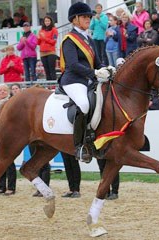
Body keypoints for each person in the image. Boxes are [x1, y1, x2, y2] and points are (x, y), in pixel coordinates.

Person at [59, 2, 112, 162]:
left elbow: (97, 62)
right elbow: (73, 65)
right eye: (84, 17)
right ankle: (79, 147)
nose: (88, 19)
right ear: (74, 20)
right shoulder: (69, 39)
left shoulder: (88, 38)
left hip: (87, 80)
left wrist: (108, 69)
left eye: (89, 16)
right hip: (73, 80)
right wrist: (95, 73)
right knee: (84, 104)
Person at [38, 16, 58, 80]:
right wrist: (38, 38)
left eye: (48, 21)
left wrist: (44, 38)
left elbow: (54, 41)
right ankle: (49, 86)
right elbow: (38, 43)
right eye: (45, 21)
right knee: (46, 71)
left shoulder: (54, 30)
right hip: (42, 52)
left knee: (52, 70)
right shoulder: (41, 30)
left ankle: (54, 86)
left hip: (51, 52)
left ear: (51, 21)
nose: (47, 22)